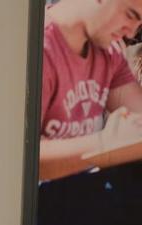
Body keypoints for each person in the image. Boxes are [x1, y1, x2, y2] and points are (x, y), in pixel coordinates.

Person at [39, 0, 142, 181]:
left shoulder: (109, 53)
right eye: (130, 15)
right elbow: (22, 159)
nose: (132, 33)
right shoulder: (38, 49)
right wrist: (105, 144)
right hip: (39, 199)